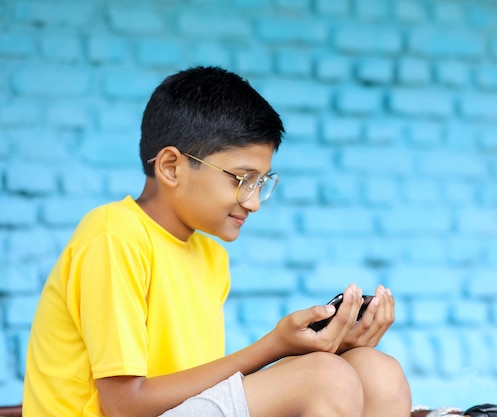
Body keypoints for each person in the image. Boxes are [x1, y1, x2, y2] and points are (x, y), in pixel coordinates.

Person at [23, 66, 412, 417]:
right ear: (171, 167)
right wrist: (276, 346)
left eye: (262, 183)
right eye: (242, 180)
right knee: (326, 377)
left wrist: (327, 346)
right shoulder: (115, 236)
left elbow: (197, 392)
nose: (255, 202)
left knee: (377, 371)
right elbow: (126, 405)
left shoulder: (211, 257)